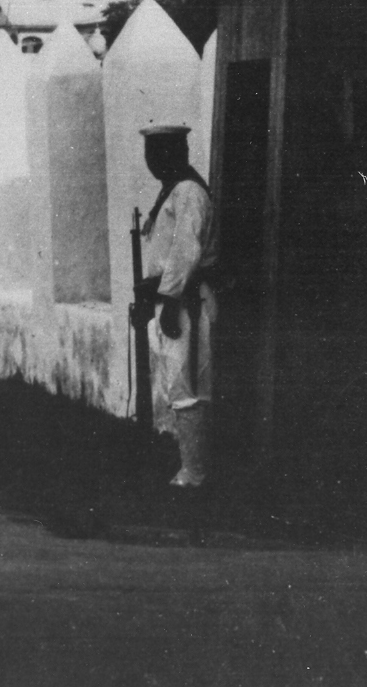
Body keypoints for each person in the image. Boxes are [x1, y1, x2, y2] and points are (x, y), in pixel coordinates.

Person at [140, 124, 218, 488]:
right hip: (171, 299)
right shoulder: (171, 191)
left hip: (186, 302)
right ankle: (190, 468)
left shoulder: (188, 192)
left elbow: (186, 251)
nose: (153, 162)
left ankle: (195, 473)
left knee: (188, 386)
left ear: (178, 153)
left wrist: (169, 301)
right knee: (179, 383)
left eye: (160, 153)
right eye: (150, 154)